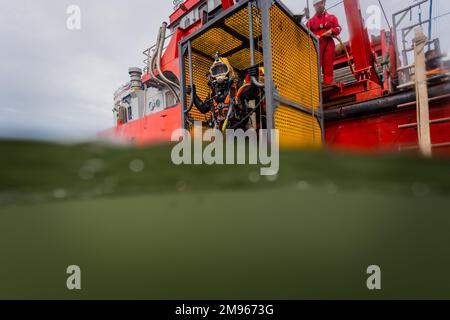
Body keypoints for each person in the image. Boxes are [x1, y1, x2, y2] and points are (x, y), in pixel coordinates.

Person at [307, 0, 342, 85]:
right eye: (317, 4)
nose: (319, 5)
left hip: (328, 44)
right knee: (315, 65)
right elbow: (305, 32)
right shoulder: (310, 22)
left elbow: (338, 28)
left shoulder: (332, 17)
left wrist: (331, 31)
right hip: (316, 45)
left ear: (324, 3)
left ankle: (328, 81)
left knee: (328, 63)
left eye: (321, 3)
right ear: (314, 6)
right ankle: (315, 84)